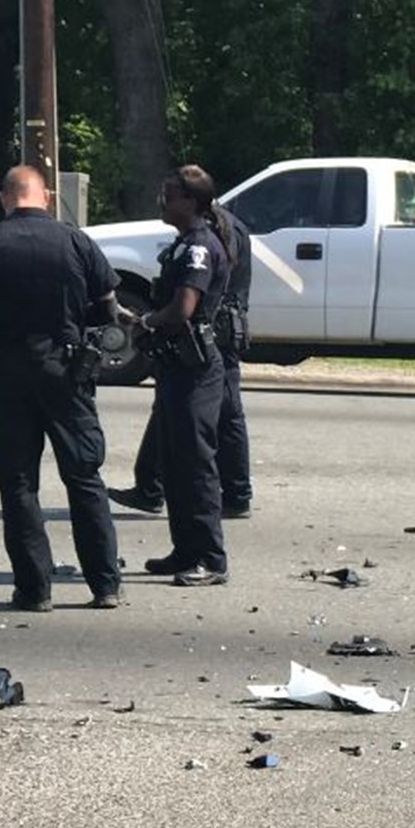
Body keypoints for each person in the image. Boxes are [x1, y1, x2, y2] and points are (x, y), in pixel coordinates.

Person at [0, 165, 128, 611]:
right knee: (84, 477)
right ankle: (104, 585)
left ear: (4, 197)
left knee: (18, 482)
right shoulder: (76, 241)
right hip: (66, 371)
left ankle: (34, 590)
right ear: (45, 196)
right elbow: (107, 308)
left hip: (9, 371)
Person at [110, 202, 252, 519]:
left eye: (171, 195)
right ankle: (149, 485)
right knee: (169, 405)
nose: (163, 203)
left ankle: (236, 493)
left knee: (226, 412)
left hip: (213, 332)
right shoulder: (218, 227)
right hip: (207, 331)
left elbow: (209, 286)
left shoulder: (215, 232)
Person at [132, 165, 232, 586]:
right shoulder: (182, 243)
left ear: (190, 202)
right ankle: (184, 549)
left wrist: (147, 321)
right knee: (173, 462)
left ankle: (210, 557)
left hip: (197, 369)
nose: (162, 201)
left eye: (169, 195)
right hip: (175, 366)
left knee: (195, 463)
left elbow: (183, 310)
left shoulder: (199, 248)